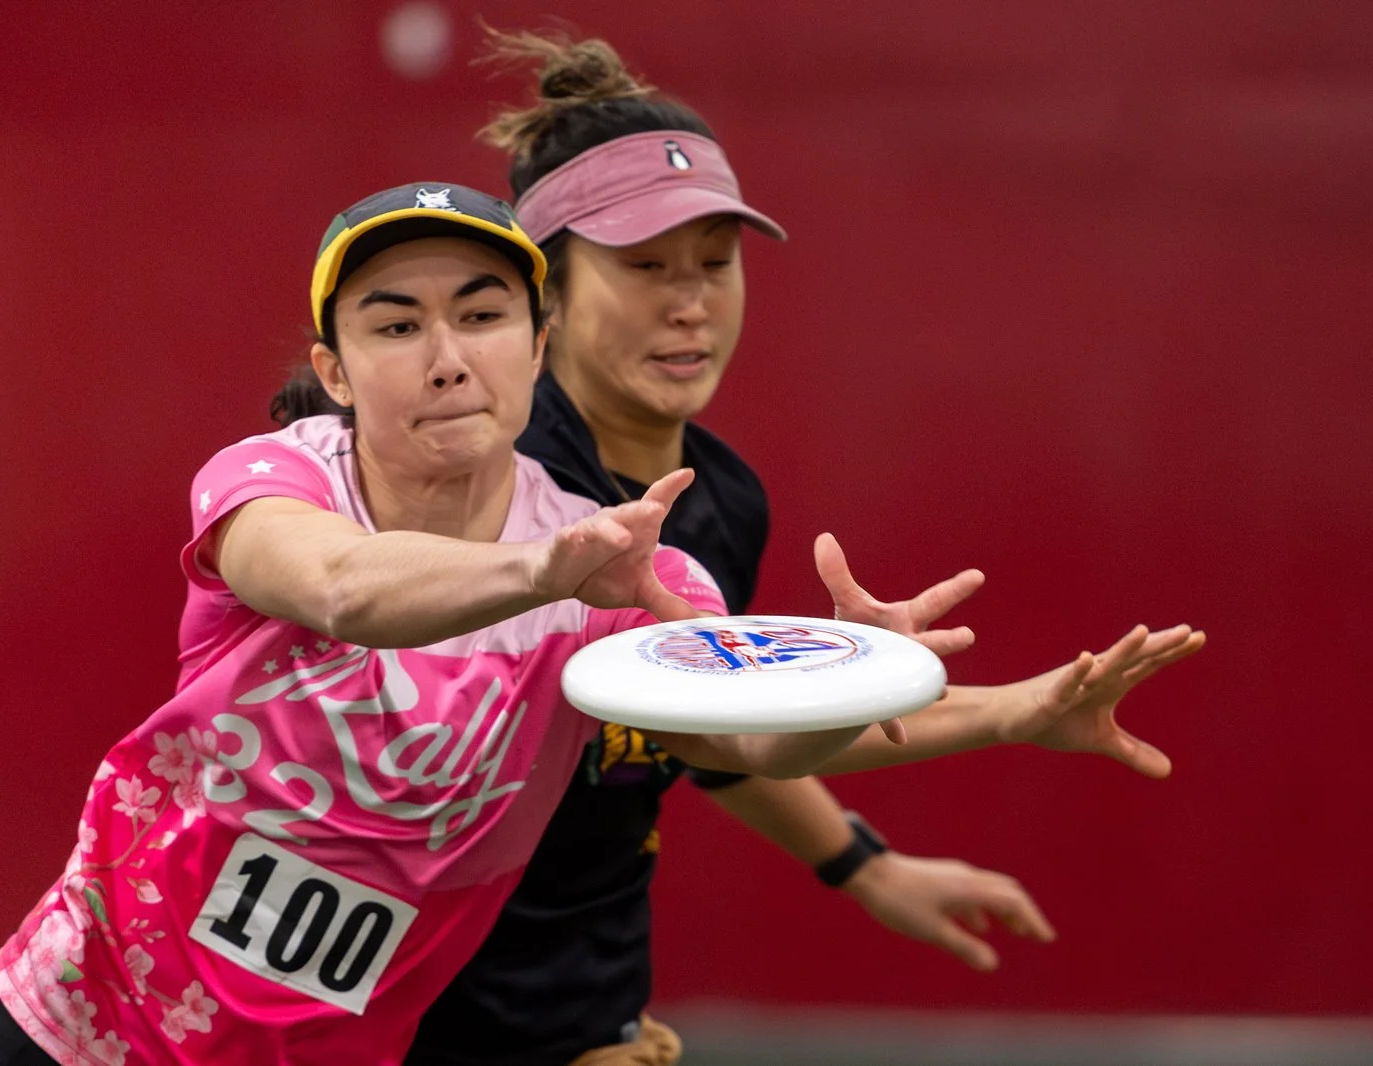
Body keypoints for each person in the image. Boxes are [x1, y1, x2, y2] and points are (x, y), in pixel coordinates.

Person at [0, 181, 962, 1066]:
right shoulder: (277, 482)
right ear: (335, 372)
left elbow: (747, 744)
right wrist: (539, 572)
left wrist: (851, 680)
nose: (446, 355)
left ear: (539, 345)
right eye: (396, 324)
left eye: (483, 313)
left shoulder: (622, 569)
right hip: (83, 1002)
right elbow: (341, 587)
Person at [307, 32, 1198, 1066]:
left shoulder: (716, 502)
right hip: (400, 1024)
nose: (689, 301)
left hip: (577, 1009)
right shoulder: (473, 482)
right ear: (540, 294)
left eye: (714, 264)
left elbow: (709, 732)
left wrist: (868, 858)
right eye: (645, 267)